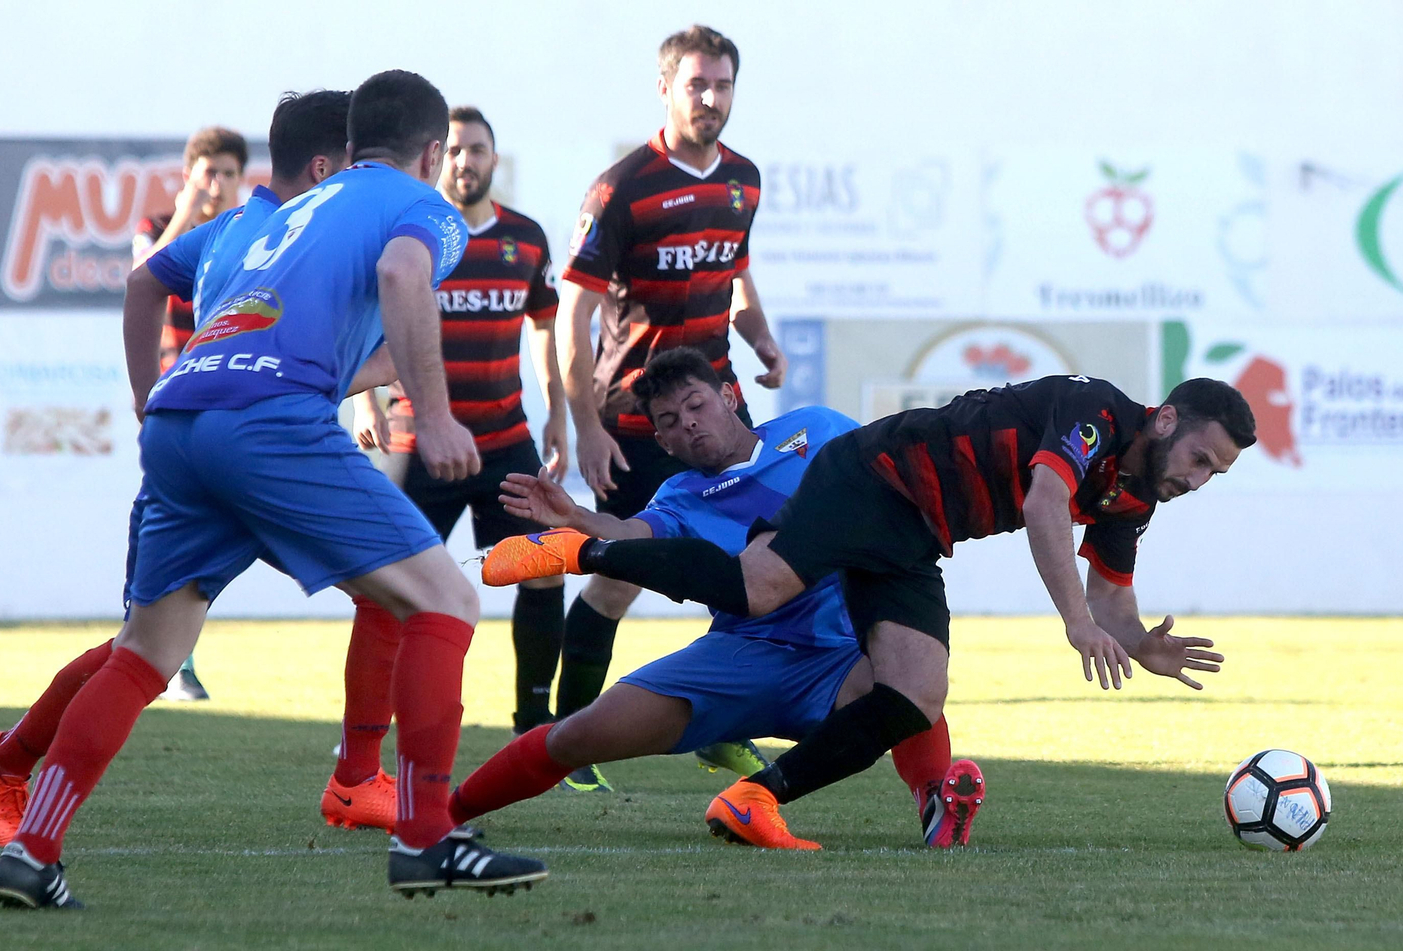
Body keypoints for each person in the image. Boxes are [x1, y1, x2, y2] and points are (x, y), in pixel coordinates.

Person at [0, 70, 545, 910]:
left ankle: (32, 850)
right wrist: (433, 417)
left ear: (348, 149)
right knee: (446, 600)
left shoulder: (281, 216)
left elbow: (163, 289)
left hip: (182, 419)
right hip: (270, 422)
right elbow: (403, 274)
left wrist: (148, 397)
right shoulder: (420, 206)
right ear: (432, 154)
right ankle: (426, 835)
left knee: (144, 652)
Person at [484, 373, 1249, 846]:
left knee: (915, 693)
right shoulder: (1096, 411)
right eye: (1200, 458)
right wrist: (1075, 624)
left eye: (1214, 473)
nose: (1198, 479)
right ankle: (579, 552)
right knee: (761, 585)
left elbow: (1111, 593)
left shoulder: (1135, 493)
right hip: (877, 479)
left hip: (913, 533)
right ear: (1165, 419)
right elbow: (1045, 499)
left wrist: (1137, 640)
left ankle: (756, 797)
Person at [0, 88, 396, 852]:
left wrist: (148, 396)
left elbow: (144, 284)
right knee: (146, 652)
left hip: (223, 445)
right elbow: (372, 339)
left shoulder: (235, 230)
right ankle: (6, 760)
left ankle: (10, 771)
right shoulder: (295, 234)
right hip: (252, 450)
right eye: (358, 167)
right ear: (326, 167)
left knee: (145, 651)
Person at [448, 348, 982, 850]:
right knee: (575, 737)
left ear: (728, 396)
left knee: (909, 682)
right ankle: (442, 813)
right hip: (736, 659)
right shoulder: (680, 496)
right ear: (663, 442)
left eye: (695, 405)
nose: (688, 423)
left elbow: (892, 476)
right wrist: (578, 519)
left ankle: (938, 804)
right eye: (669, 421)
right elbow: (634, 535)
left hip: (839, 658)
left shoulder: (817, 429)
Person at [551, 24, 787, 790]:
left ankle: (723, 729)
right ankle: (569, 739)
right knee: (621, 575)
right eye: (697, 84)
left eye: (722, 84)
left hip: (720, 410)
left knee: (755, 566)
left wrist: (761, 338)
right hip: (635, 420)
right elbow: (572, 315)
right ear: (665, 89)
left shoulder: (744, 179)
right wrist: (586, 424)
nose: (711, 98)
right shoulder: (621, 188)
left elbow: (736, 276)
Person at [352, 105, 569, 739]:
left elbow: (545, 327)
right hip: (414, 439)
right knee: (386, 586)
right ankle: (365, 733)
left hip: (503, 442)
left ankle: (534, 725)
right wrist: (364, 402)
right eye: (452, 150)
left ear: (494, 159)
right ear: (435, 157)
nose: (464, 161)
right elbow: (366, 319)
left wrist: (557, 413)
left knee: (546, 569)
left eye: (475, 150)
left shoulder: (525, 237)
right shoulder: (411, 234)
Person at [131, 124, 250, 701]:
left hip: (229, 402)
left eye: (228, 174)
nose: (218, 184)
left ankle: (169, 653)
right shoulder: (159, 227)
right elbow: (145, 276)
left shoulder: (252, 234)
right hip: (174, 401)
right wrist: (185, 212)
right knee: (166, 528)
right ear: (188, 177)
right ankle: (166, 656)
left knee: (211, 532)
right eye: (209, 173)